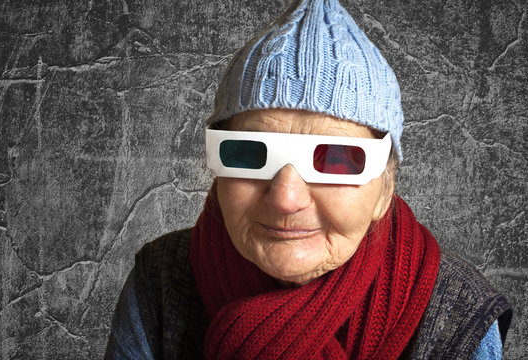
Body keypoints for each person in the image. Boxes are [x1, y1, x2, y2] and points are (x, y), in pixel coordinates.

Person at [105, 0, 512, 358]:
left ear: (384, 189)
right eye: (250, 154)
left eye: (335, 160)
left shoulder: (457, 317)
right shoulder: (159, 281)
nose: (285, 198)